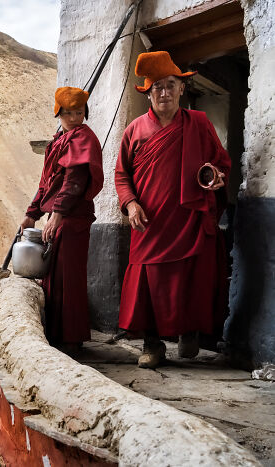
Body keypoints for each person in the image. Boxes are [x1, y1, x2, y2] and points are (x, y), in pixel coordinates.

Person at [115, 51, 231, 369]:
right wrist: (130, 202)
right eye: (157, 88)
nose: (164, 93)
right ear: (148, 93)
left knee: (189, 280)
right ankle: (152, 345)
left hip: (188, 220)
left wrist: (217, 177)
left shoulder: (199, 124)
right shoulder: (134, 131)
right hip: (149, 223)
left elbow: (221, 161)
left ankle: (188, 333)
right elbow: (122, 175)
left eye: (170, 86)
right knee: (148, 283)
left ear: (181, 89)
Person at [20, 86, 104, 349]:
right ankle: (56, 335)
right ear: (58, 113)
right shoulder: (59, 139)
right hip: (59, 217)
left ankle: (71, 339)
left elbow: (74, 182)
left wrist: (56, 215)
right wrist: (31, 214)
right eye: (67, 113)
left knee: (68, 277)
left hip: (72, 220)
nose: (74, 118)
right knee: (53, 276)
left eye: (79, 112)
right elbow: (47, 182)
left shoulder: (82, 138)